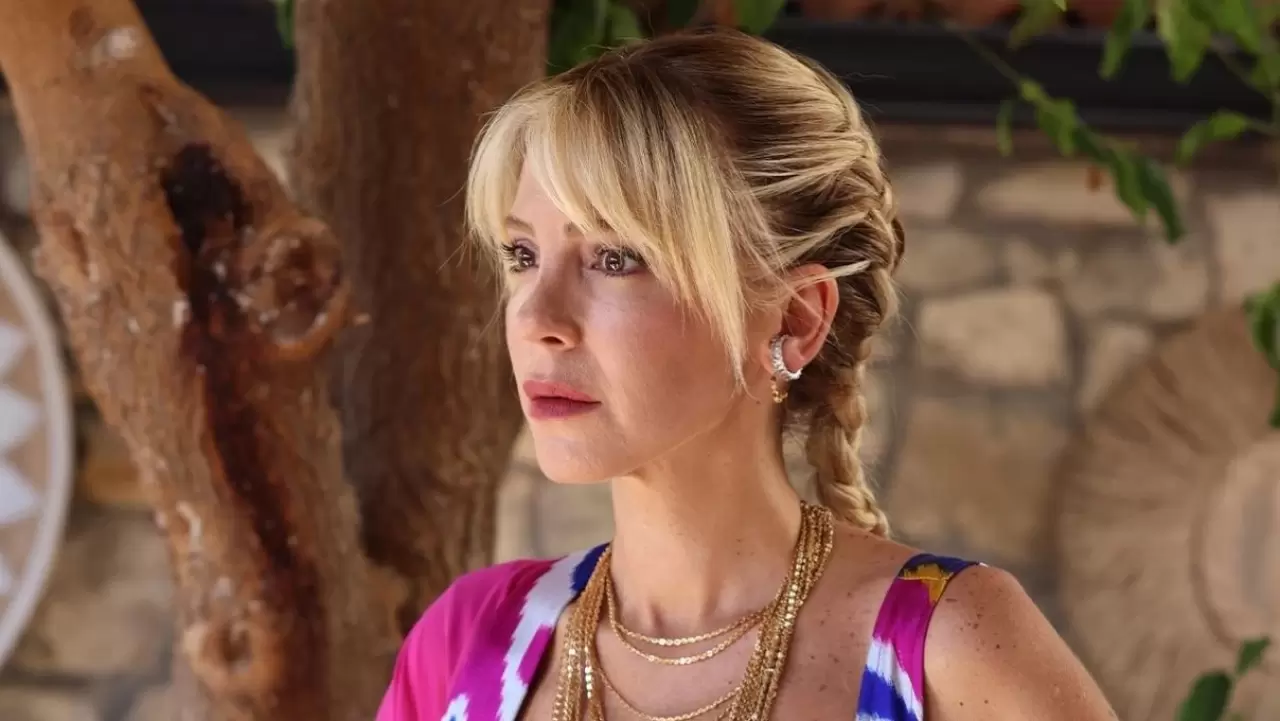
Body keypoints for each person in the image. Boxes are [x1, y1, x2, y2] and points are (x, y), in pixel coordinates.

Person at [376, 25, 1118, 721]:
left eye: (614, 258)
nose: (537, 317)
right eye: (522, 255)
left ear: (795, 318)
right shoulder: (469, 642)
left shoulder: (951, 648)